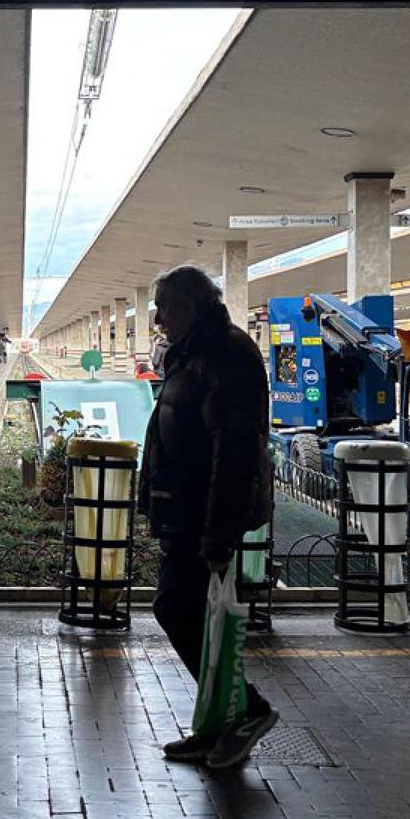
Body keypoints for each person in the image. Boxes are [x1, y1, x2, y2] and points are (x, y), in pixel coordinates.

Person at [139, 265, 278, 770]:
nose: (158, 318)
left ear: (192, 306)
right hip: (187, 509)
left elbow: (234, 452)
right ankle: (217, 721)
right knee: (190, 612)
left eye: (165, 306)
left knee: (176, 606)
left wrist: (217, 534)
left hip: (205, 512)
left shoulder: (224, 354)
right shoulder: (199, 350)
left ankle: (248, 710)